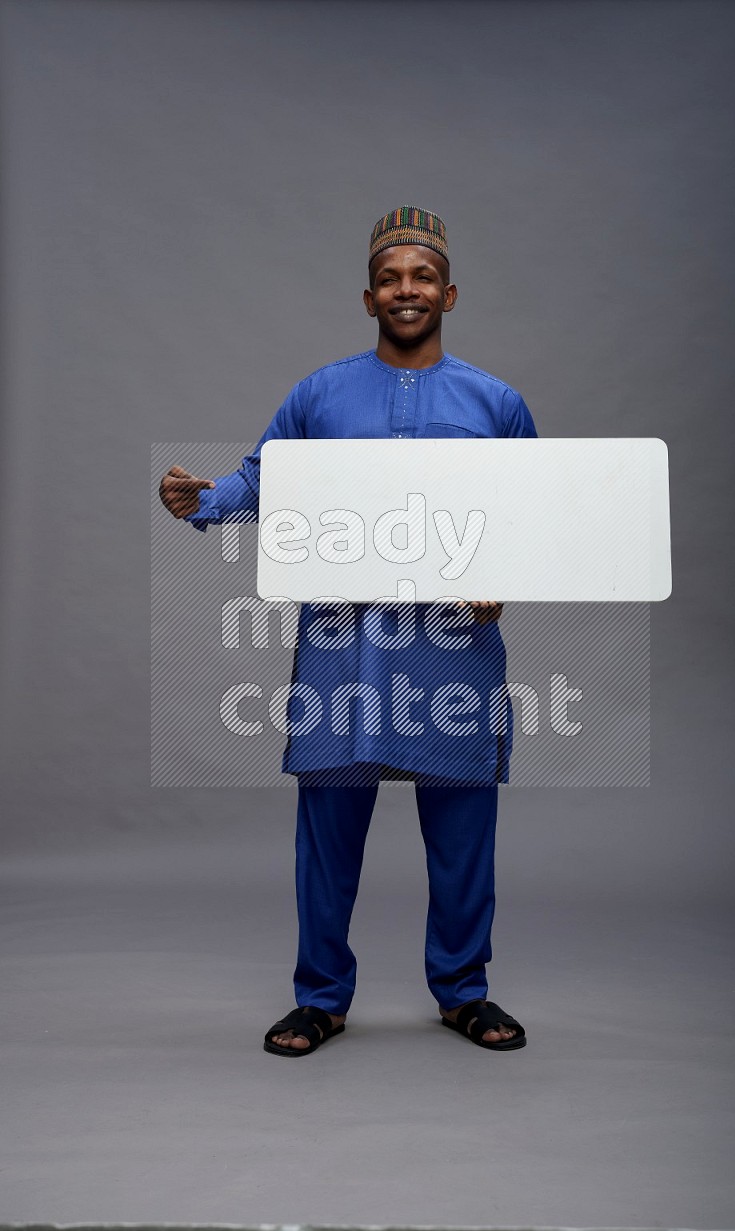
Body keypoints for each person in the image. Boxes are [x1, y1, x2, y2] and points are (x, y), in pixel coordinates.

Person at [159, 206, 537, 1055]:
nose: (408, 290)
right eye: (392, 278)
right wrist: (205, 499)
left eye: (423, 276)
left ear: (449, 291)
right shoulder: (320, 395)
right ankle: (320, 995)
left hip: (452, 654)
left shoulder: (496, 403)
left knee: (464, 832)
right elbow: (264, 477)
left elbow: (533, 514)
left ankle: (463, 990)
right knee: (328, 834)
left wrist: (503, 581)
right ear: (369, 297)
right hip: (343, 645)